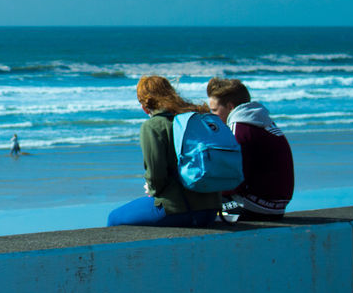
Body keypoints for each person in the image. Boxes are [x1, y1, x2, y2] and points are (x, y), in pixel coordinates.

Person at [107, 75, 220, 227]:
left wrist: (151, 188)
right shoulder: (195, 118)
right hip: (211, 208)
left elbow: (156, 176)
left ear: (144, 106)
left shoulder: (154, 126)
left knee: (114, 218)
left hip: (179, 209)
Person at [206, 77, 295, 221]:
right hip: (277, 206)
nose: (212, 115)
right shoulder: (260, 121)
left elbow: (234, 181)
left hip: (256, 206)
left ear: (230, 107)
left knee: (200, 204)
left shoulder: (239, 128)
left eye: (215, 110)